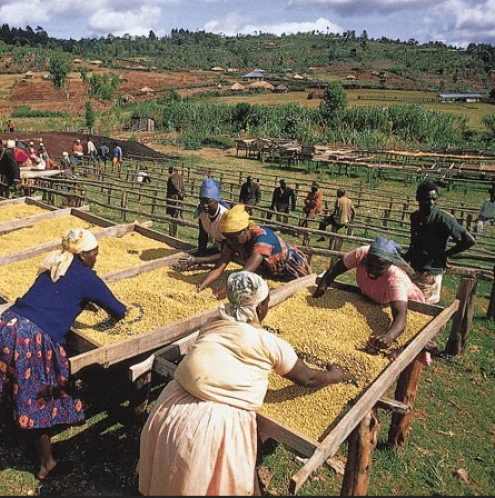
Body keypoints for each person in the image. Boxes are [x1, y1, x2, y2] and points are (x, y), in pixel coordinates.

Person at [138, 271, 347, 496]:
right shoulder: (268, 342)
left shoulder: (213, 324)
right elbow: (308, 378)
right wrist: (335, 375)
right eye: (266, 302)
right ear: (259, 308)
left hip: (170, 405)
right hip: (214, 424)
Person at [0, 228, 127, 481]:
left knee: (16, 386)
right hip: (27, 340)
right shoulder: (86, 276)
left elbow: (51, 295)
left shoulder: (55, 266)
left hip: (6, 327)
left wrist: (83, 301)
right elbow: (118, 310)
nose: (96, 258)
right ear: (83, 255)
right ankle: (47, 464)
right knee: (40, 396)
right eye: (94, 253)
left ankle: (16, 427)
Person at [313, 236, 426, 349]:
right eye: (369, 264)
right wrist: (320, 290)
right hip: (374, 296)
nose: (373, 270)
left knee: (404, 347)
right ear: (367, 257)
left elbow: (400, 315)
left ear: (389, 264)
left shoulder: (395, 280)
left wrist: (389, 336)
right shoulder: (361, 254)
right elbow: (335, 270)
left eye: (380, 268)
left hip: (406, 304)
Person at [196, 204, 312, 298]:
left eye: (233, 237)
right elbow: (219, 267)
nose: (230, 242)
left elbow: (244, 274)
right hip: (269, 272)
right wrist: (200, 287)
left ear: (245, 230)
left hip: (291, 270)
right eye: (227, 238)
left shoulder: (262, 240)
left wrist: (217, 295)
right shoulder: (233, 241)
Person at [403, 181, 476, 304]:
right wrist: (404, 260)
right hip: (415, 268)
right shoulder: (415, 217)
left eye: (434, 199)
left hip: (431, 272)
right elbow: (414, 243)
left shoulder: (443, 219)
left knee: (422, 306)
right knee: (407, 302)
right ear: (418, 199)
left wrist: (446, 254)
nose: (431, 203)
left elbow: (469, 240)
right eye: (427, 199)